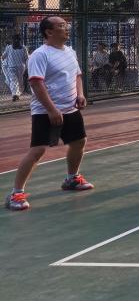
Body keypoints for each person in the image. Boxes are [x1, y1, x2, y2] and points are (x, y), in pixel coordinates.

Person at [5, 16, 94, 212]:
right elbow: (36, 83)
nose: (66, 28)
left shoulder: (70, 51)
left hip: (70, 109)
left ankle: (72, 179)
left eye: (66, 25)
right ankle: (15, 194)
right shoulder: (40, 55)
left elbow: (77, 75)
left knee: (79, 142)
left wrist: (80, 94)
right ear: (49, 32)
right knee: (37, 150)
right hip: (45, 111)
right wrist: (52, 109)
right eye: (62, 26)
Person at [2, 33, 29, 102]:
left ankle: (17, 93)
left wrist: (3, 58)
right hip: (21, 67)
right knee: (18, 80)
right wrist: (27, 66)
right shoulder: (24, 47)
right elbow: (26, 58)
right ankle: (16, 94)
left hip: (12, 66)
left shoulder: (9, 47)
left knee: (14, 80)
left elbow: (3, 56)